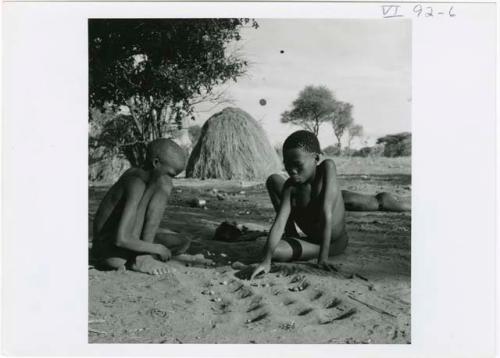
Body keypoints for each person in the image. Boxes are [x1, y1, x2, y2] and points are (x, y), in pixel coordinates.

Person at [251, 130, 409, 279]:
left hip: (335, 243)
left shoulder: (327, 167)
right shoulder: (290, 187)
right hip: (313, 236)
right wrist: (266, 261)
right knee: (271, 251)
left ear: (316, 159)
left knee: (366, 202)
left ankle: (389, 201)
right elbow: (279, 223)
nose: (292, 171)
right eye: (287, 165)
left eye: (297, 165)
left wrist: (323, 258)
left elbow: (327, 213)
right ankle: (293, 237)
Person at [91, 138, 191, 275]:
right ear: (156, 163)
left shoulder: (152, 181)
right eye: (170, 174)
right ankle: (141, 258)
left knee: (183, 242)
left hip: (126, 244)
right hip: (109, 251)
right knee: (165, 185)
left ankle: (143, 255)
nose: (170, 179)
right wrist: (156, 248)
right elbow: (121, 239)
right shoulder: (135, 182)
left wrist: (154, 247)